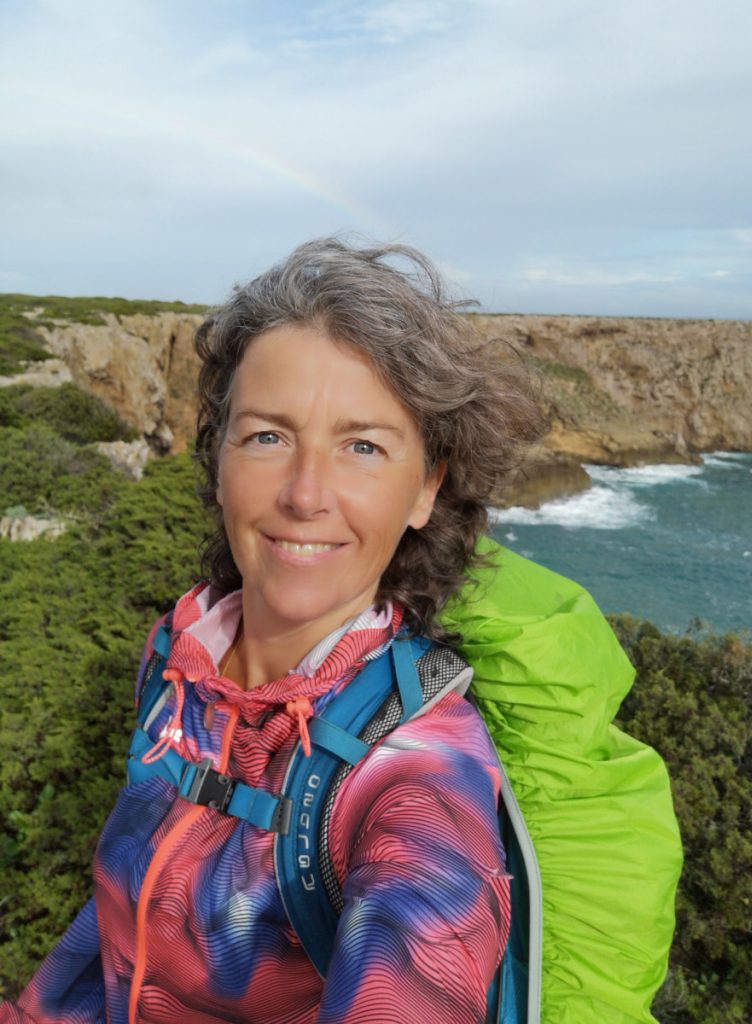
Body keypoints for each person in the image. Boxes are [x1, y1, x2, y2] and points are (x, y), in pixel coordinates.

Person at [1, 238, 548, 1024]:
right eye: (267, 436)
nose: (305, 493)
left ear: (425, 488)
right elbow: (123, 931)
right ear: (219, 456)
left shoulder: (417, 782)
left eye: (362, 446)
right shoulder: (181, 656)